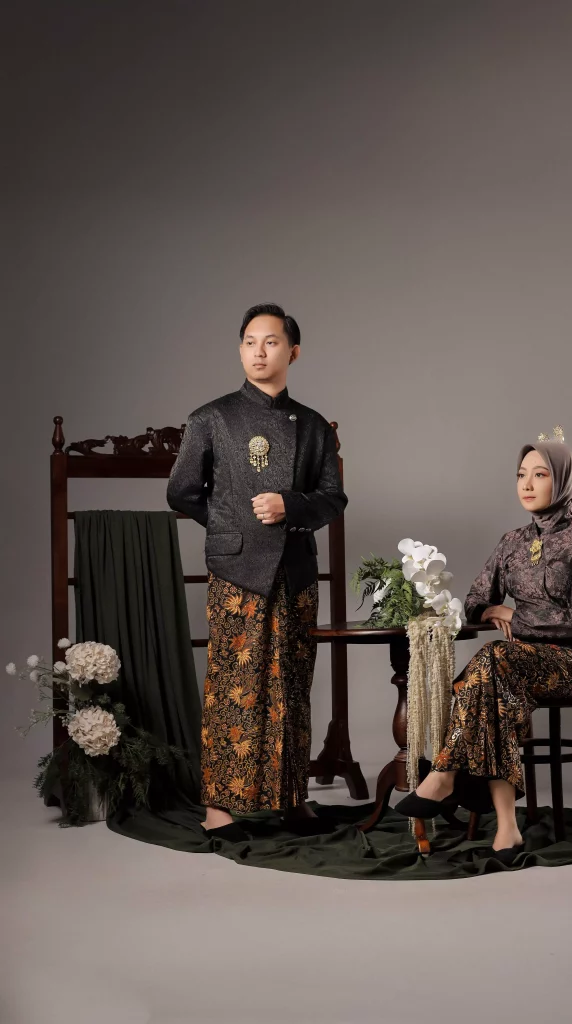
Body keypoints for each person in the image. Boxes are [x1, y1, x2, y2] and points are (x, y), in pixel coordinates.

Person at [167, 303, 347, 841]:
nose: (259, 352)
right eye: (249, 342)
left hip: (295, 569)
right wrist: (232, 525)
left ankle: (293, 800)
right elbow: (181, 491)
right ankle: (218, 808)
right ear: (240, 349)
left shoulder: (314, 426)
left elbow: (333, 498)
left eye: (270, 342)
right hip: (237, 569)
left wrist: (291, 505)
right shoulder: (211, 418)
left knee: (293, 685)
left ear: (293, 352)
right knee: (233, 686)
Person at [395, 436, 572, 863]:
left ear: (563, 482)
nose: (526, 484)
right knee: (496, 681)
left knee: (493, 662)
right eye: (521, 475)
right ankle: (507, 829)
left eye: (540, 474)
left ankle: (443, 774)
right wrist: (490, 607)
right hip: (516, 665)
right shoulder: (511, 541)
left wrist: (516, 616)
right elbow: (476, 599)